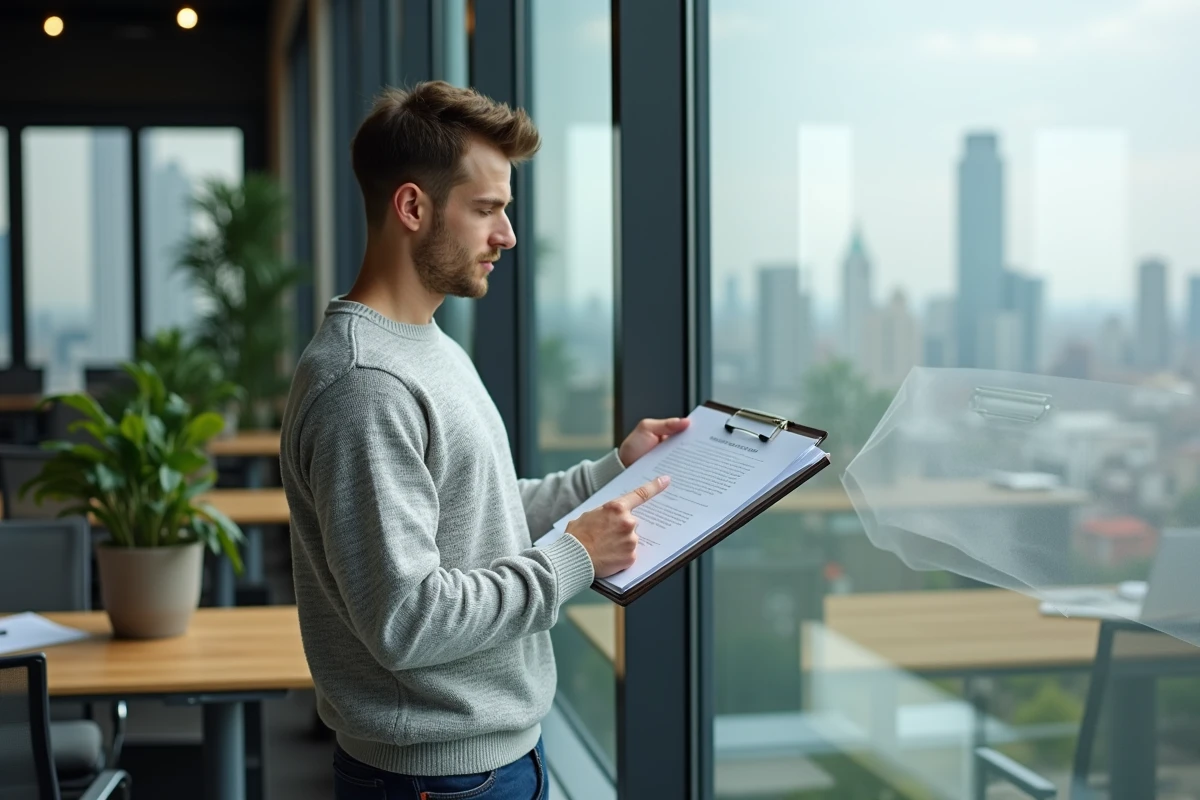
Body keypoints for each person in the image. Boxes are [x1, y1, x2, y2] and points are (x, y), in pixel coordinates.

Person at [279, 81, 690, 799]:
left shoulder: (424, 343)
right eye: (487, 210)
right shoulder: (364, 384)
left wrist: (610, 474)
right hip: (438, 780)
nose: (507, 236)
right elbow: (407, 618)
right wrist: (573, 558)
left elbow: (475, 515)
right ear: (413, 207)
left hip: (491, 763)